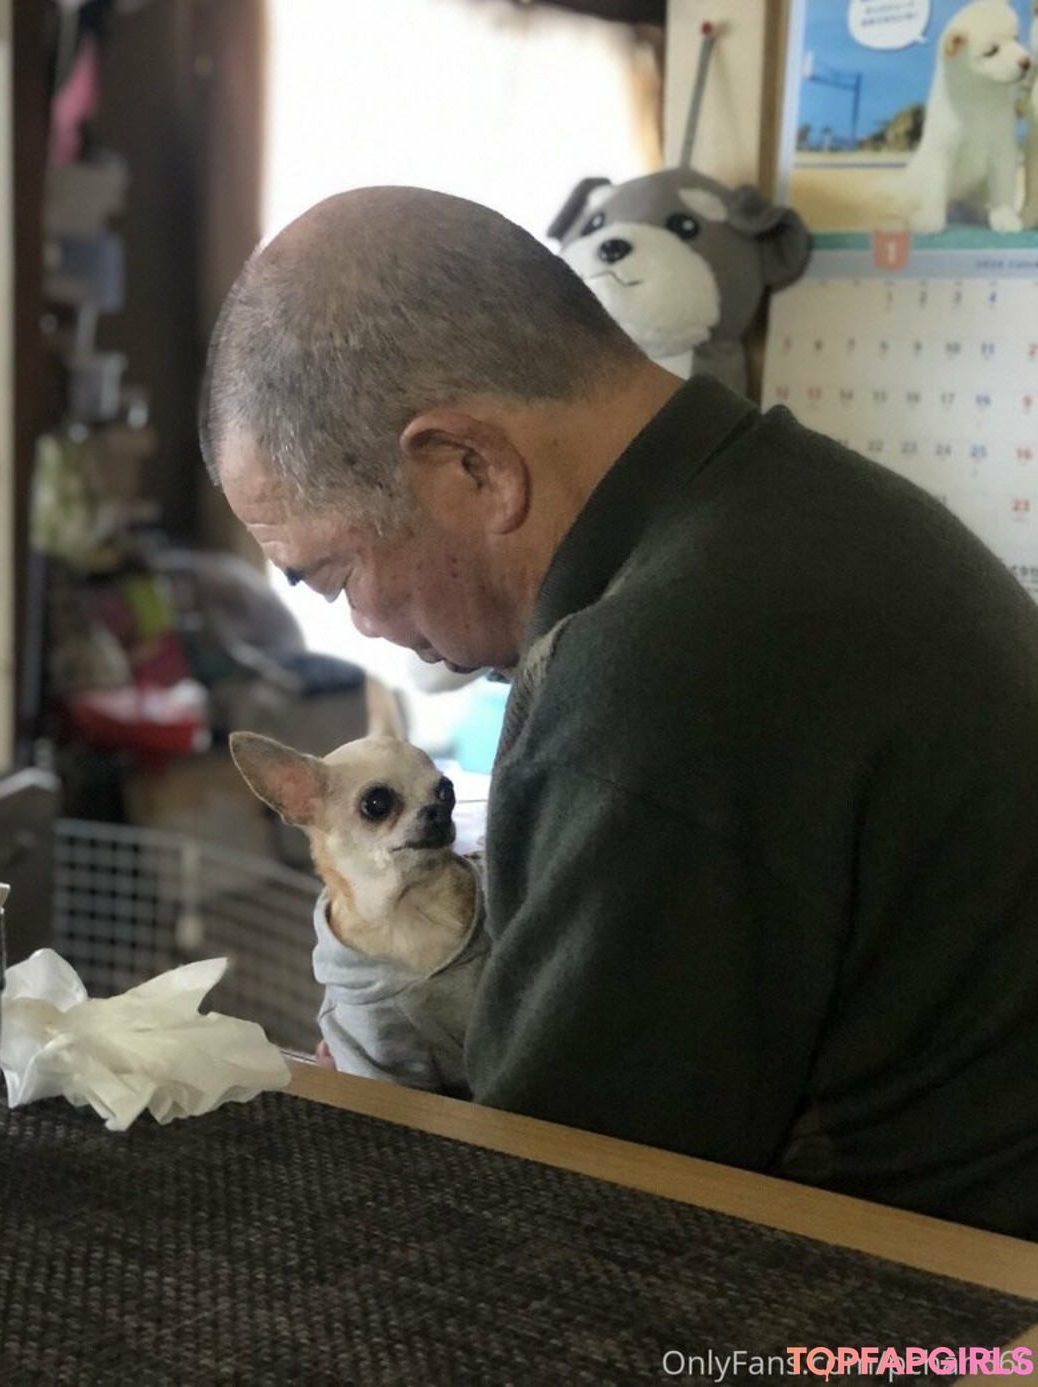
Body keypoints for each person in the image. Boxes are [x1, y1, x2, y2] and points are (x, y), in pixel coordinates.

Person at [201, 186, 1038, 1239]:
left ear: (470, 466)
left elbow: (557, 1218)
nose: (366, 622)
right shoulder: (816, 507)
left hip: (931, 1294)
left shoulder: (654, 675)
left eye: (336, 574)